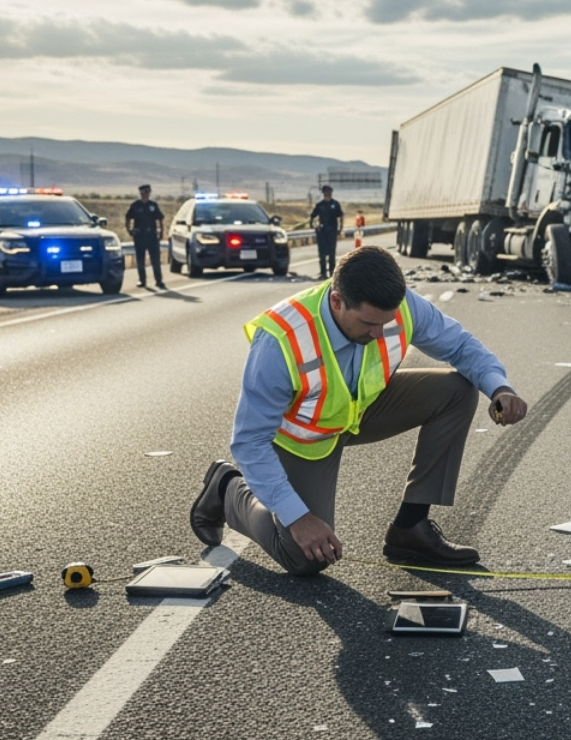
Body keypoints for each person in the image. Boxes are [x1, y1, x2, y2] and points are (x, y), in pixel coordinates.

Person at [189, 245, 529, 575]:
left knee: (458, 390)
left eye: (386, 322)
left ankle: (410, 529)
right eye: (369, 324)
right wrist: (298, 518)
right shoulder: (280, 341)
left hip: (361, 410)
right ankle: (227, 489)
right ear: (337, 301)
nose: (380, 332)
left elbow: (459, 345)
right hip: (304, 437)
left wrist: (499, 386)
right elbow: (249, 442)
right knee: (306, 557)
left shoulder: (402, 307)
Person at [125, 183, 166, 290]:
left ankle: (159, 281)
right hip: (140, 236)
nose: (146, 194)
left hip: (152, 236)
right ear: (141, 193)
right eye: (144, 192)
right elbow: (128, 217)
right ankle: (142, 280)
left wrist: (160, 232)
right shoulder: (136, 205)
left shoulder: (153, 205)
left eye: (148, 192)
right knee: (140, 260)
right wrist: (129, 230)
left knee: (155, 260)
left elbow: (160, 219)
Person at [308, 184, 344, 280]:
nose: (328, 194)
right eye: (326, 192)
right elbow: (312, 215)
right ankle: (323, 272)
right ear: (323, 193)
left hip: (332, 230)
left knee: (332, 252)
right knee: (322, 253)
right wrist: (313, 225)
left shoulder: (335, 204)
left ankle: (332, 272)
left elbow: (340, 216)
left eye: (329, 192)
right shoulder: (320, 205)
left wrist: (340, 228)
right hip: (322, 231)